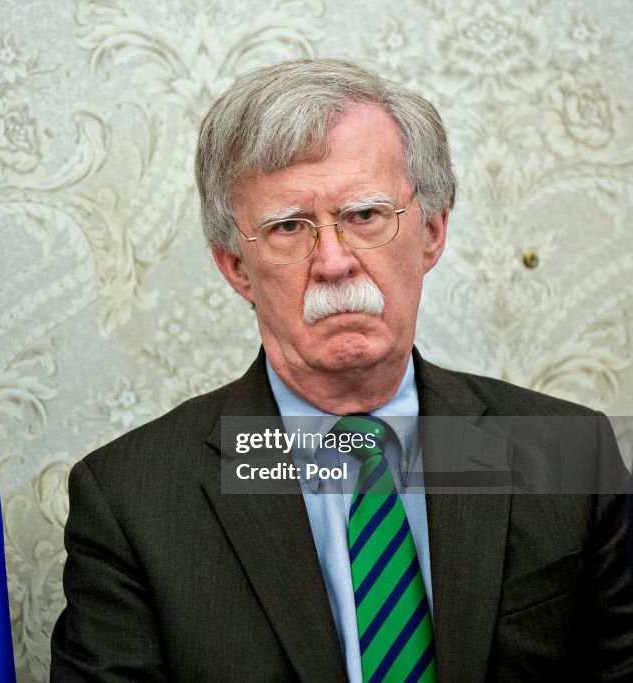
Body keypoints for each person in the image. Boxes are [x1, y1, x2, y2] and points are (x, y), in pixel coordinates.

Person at [49, 58, 633, 681]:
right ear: (235, 266)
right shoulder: (130, 501)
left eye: (365, 216)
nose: (334, 262)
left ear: (432, 232)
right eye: (288, 227)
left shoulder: (570, 457)